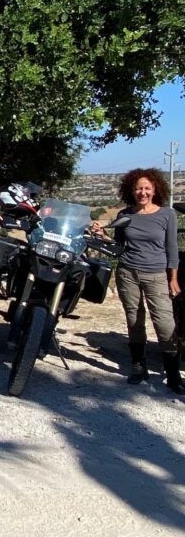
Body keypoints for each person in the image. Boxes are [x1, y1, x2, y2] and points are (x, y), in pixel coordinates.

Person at [92, 168, 183, 394]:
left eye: (147, 188)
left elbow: (172, 249)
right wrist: (102, 235)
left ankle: (173, 374)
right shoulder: (125, 215)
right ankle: (138, 366)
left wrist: (173, 278)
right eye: (138, 188)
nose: (143, 192)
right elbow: (118, 246)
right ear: (131, 191)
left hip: (157, 274)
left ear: (155, 190)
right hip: (127, 273)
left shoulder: (167, 215)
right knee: (134, 319)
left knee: (164, 322)